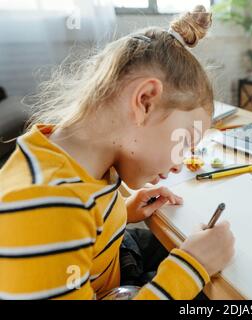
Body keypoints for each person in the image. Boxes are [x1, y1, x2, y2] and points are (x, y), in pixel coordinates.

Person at [0, 5, 235, 300]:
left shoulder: (81, 163)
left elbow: (80, 229)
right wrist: (191, 267)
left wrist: (121, 212)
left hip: (113, 262)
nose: (179, 164)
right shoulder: (45, 207)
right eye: (183, 141)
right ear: (145, 101)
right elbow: (63, 225)